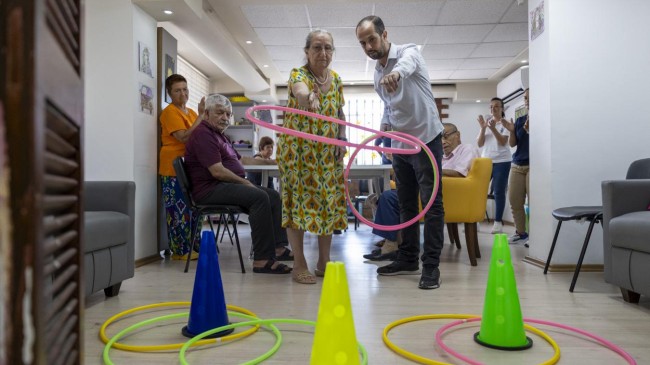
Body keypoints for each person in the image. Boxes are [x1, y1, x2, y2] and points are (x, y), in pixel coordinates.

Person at [356, 16, 445, 290]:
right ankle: (408, 258)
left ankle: (431, 266)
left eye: (371, 39)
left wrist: (395, 74)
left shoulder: (409, 52)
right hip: (401, 143)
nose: (369, 46)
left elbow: (404, 68)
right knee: (406, 203)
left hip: (427, 139)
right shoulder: (375, 74)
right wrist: (384, 133)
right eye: (363, 43)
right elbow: (389, 106)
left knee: (431, 205)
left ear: (384, 34)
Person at [184, 93, 293, 274]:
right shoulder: (203, 134)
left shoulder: (220, 136)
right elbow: (217, 171)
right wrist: (244, 182)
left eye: (228, 114)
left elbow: (241, 160)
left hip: (222, 185)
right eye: (219, 113)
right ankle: (261, 259)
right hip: (210, 189)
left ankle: (278, 248)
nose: (225, 118)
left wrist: (271, 162)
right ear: (206, 113)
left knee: (272, 195)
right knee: (259, 197)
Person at [277, 29, 348, 284]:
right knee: (298, 205)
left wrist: (342, 137)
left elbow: (340, 113)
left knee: (328, 205)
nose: (323, 53)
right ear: (307, 51)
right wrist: (309, 98)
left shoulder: (337, 79)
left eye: (328, 47)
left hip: (327, 154)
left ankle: (324, 261)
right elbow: (300, 93)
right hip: (298, 154)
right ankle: (299, 264)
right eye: (317, 47)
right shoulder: (299, 75)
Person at [364, 123, 479, 261]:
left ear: (458, 135)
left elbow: (459, 174)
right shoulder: (442, 156)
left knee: (389, 197)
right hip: (431, 190)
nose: (443, 141)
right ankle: (392, 238)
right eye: (440, 138)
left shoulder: (467, 149)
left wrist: (428, 171)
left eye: (446, 136)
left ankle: (391, 243)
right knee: (384, 196)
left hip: (445, 196)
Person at [159, 74, 205, 260]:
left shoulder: (192, 113)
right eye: (177, 90)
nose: (183, 93)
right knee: (178, 209)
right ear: (169, 93)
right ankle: (180, 251)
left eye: (185, 89)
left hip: (192, 166)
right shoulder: (169, 112)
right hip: (173, 167)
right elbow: (184, 137)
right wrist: (202, 116)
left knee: (195, 208)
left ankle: (194, 246)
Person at [477, 97, 512, 234]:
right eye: (491, 106)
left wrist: (493, 129)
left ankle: (497, 223)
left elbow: (503, 142)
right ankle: (476, 220)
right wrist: (482, 129)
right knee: (479, 191)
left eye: (497, 106)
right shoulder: (487, 124)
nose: (493, 109)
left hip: (502, 161)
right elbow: (480, 144)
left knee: (498, 192)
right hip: (486, 161)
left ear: (502, 108)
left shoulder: (506, 123)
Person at [502, 88, 530, 245]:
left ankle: (537, 236)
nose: (526, 100)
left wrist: (530, 129)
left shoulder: (543, 117)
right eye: (525, 98)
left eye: (529, 97)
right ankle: (521, 233)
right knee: (514, 200)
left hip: (534, 165)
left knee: (535, 202)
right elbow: (513, 143)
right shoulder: (521, 119)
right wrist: (512, 131)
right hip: (518, 164)